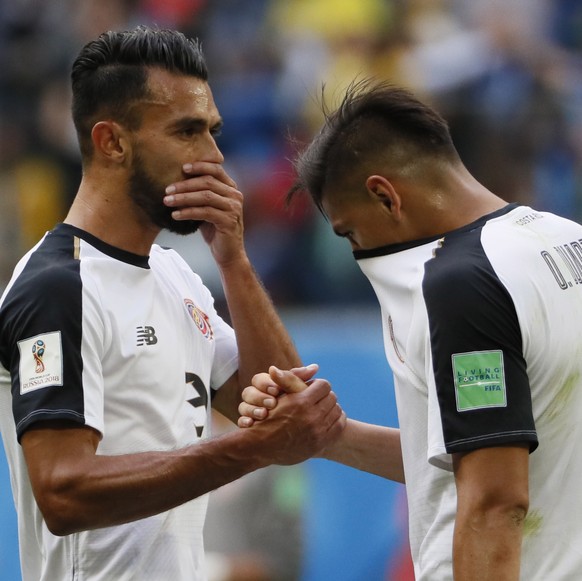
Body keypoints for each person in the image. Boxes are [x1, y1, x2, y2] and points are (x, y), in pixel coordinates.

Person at [0, 26, 345, 581]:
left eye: (212, 131)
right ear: (112, 141)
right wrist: (249, 450)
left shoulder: (176, 273)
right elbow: (62, 492)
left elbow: (284, 414)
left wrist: (235, 261)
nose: (213, 155)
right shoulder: (56, 287)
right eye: (187, 132)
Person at [238, 80, 582, 580]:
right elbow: (488, 451)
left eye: (349, 233)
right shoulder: (567, 239)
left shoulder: (464, 282)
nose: (357, 255)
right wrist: (329, 437)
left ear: (385, 196)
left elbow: (494, 499)